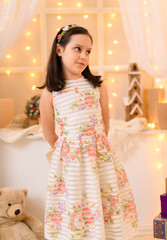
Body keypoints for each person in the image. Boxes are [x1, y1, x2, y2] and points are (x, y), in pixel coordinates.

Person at [39, 24, 138, 240]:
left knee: (102, 199)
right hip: (71, 160)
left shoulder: (96, 86)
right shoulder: (51, 91)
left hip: (100, 156)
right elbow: (48, 132)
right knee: (75, 202)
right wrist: (69, 150)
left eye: (88, 51)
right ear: (59, 50)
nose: (84, 56)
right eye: (78, 49)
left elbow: (104, 123)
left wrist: (95, 146)